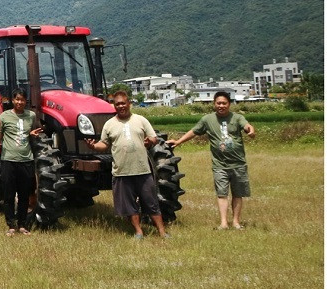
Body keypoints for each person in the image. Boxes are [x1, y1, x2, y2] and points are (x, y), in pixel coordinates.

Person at [84, 91, 171, 239]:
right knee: (129, 206)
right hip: (122, 172)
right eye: (118, 104)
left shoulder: (141, 120)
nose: (121, 106)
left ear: (129, 103)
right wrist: (93, 147)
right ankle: (138, 231)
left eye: (123, 103)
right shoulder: (109, 124)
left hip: (142, 170)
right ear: (114, 106)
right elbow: (104, 144)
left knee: (151, 203)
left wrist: (151, 141)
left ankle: (162, 232)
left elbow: (153, 138)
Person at [167, 90, 256, 230]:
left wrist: (250, 131)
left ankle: (236, 222)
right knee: (222, 194)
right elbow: (194, 132)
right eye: (218, 103)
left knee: (238, 194)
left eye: (224, 103)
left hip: (238, 164)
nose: (221, 105)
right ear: (214, 104)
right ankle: (224, 223)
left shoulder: (237, 118)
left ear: (229, 104)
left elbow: (247, 126)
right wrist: (178, 142)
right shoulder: (207, 119)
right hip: (219, 165)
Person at [0, 89, 42, 235]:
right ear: (13, 100)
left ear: (26, 101)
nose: (19, 102)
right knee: (9, 195)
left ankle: (22, 225)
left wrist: (32, 134)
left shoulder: (31, 115)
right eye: (17, 99)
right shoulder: (4, 116)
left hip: (26, 160)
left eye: (22, 99)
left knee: (24, 195)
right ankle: (11, 225)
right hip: (8, 160)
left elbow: (30, 132)